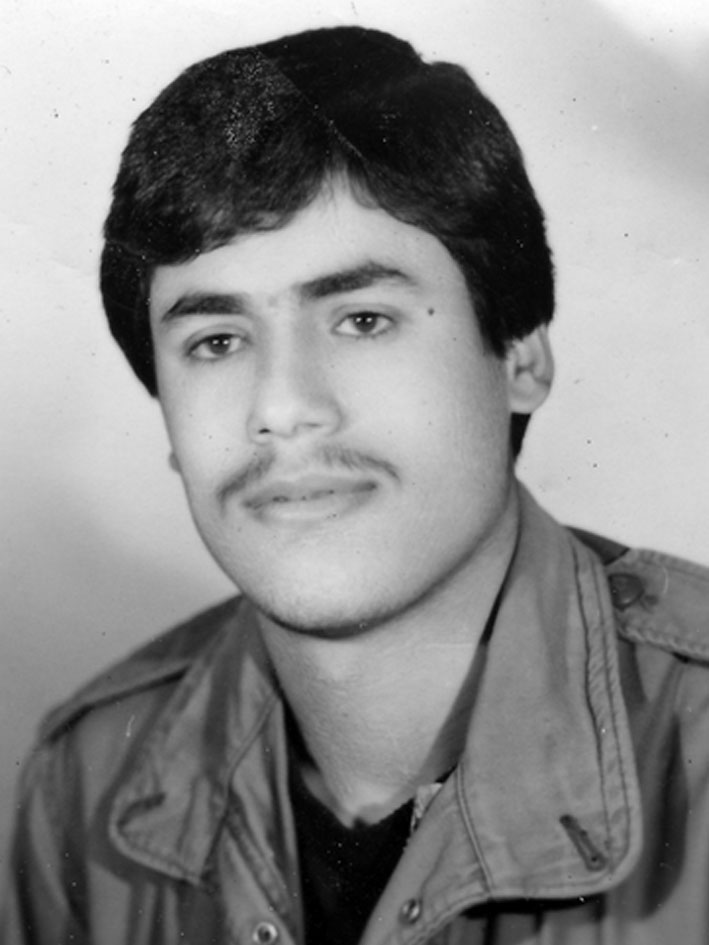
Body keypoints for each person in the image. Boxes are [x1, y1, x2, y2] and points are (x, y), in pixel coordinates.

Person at [3, 24, 708, 945]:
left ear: (519, 358)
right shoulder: (90, 779)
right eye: (216, 341)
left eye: (362, 319)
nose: (282, 406)